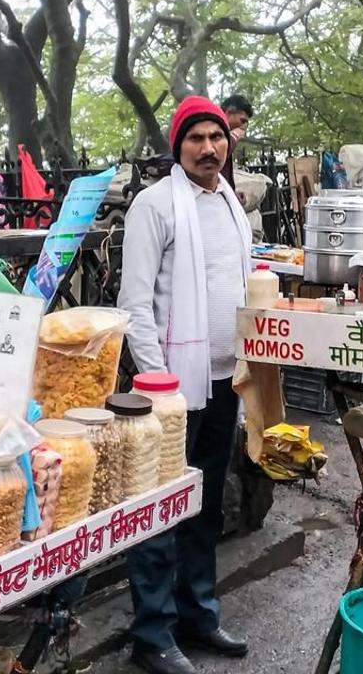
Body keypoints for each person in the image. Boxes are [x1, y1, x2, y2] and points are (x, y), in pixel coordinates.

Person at [119, 96, 252, 674]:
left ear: (228, 143)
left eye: (215, 137)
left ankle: (198, 614)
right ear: (178, 147)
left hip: (226, 378)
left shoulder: (230, 202)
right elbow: (135, 303)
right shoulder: (155, 206)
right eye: (195, 138)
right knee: (158, 509)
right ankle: (152, 634)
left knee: (204, 503)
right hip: (172, 388)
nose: (207, 148)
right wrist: (159, 383)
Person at [218, 94, 253, 191]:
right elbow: (218, 155)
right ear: (228, 113)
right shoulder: (211, 128)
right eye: (242, 121)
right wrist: (234, 136)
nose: (244, 127)